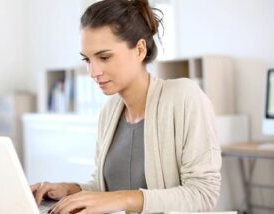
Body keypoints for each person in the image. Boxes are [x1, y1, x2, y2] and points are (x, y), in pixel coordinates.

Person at [30, 0, 222, 213]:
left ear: (140, 50)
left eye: (104, 57)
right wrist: (69, 190)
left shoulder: (184, 97)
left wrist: (126, 199)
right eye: (87, 59)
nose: (93, 72)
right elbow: (106, 190)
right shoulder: (109, 111)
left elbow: (204, 194)